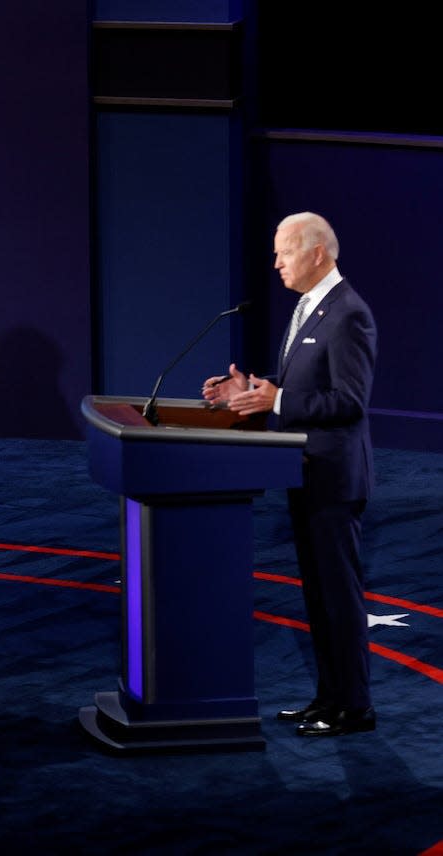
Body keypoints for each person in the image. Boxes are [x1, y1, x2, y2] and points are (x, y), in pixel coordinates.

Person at [202, 211, 377, 738]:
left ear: (317, 252)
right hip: (305, 473)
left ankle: (354, 708)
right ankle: (328, 697)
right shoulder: (309, 306)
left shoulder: (349, 314)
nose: (276, 262)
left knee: (338, 597)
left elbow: (349, 401)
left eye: (285, 252)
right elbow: (304, 382)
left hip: (334, 479)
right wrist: (253, 391)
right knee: (318, 597)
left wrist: (278, 399)